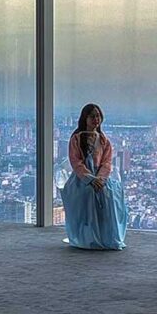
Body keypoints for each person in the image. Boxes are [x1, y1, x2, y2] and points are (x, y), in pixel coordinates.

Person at [60, 103, 128, 250]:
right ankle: (88, 237)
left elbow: (107, 162)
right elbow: (75, 162)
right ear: (85, 118)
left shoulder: (104, 140)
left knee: (109, 195)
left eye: (98, 115)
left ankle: (104, 236)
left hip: (101, 178)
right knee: (88, 193)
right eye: (92, 116)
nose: (96, 119)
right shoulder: (76, 139)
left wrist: (100, 179)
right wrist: (90, 179)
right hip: (81, 178)